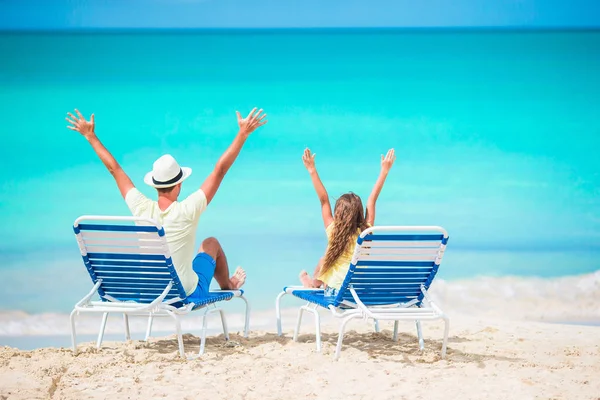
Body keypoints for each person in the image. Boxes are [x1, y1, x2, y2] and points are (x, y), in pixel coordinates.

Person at [66, 108, 267, 301]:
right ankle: (229, 285)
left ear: (154, 185)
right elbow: (219, 170)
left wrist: (90, 136)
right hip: (184, 294)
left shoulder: (141, 208)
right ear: (179, 184)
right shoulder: (187, 210)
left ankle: (221, 283)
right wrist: (242, 133)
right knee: (210, 243)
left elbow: (115, 170)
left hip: (151, 293)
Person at [299, 148, 396, 296]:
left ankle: (313, 283)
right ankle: (313, 282)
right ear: (359, 213)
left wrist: (311, 169)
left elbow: (324, 200)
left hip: (337, 293)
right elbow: (372, 201)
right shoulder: (365, 233)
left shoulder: (333, 230)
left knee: (325, 258)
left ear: (338, 213)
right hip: (359, 294)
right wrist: (384, 170)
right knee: (328, 259)